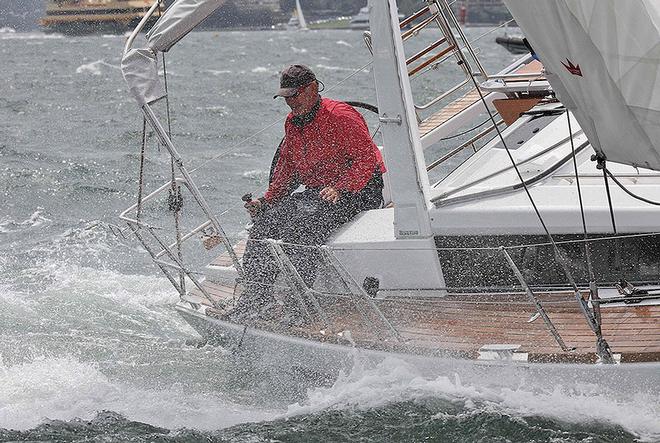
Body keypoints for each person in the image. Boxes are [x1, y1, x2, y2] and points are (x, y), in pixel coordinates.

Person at [233, 64, 386, 321]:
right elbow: (287, 168)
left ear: (313, 88)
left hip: (360, 189)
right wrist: (266, 201)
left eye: (295, 95)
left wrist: (340, 187)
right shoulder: (292, 123)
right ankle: (257, 300)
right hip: (320, 192)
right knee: (263, 227)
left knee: (301, 230)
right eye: (286, 97)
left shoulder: (340, 116)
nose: (291, 102)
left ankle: (300, 307)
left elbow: (366, 159)